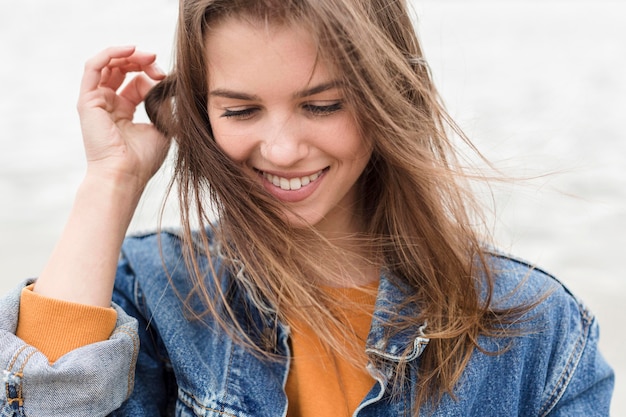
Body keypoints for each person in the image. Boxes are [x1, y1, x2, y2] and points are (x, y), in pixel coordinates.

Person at [0, 0, 614, 415]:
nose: (284, 149)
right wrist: (111, 179)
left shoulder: (539, 331)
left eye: (323, 106)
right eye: (240, 111)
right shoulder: (151, 294)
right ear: (203, 113)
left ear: (390, 95)